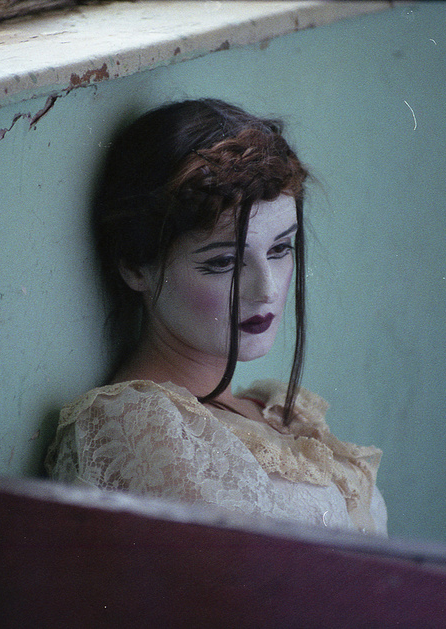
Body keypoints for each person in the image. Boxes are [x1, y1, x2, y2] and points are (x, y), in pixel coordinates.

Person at [45, 99, 387, 534]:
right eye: (224, 262)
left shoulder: (272, 408)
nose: (266, 290)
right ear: (135, 267)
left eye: (280, 249)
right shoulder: (141, 427)